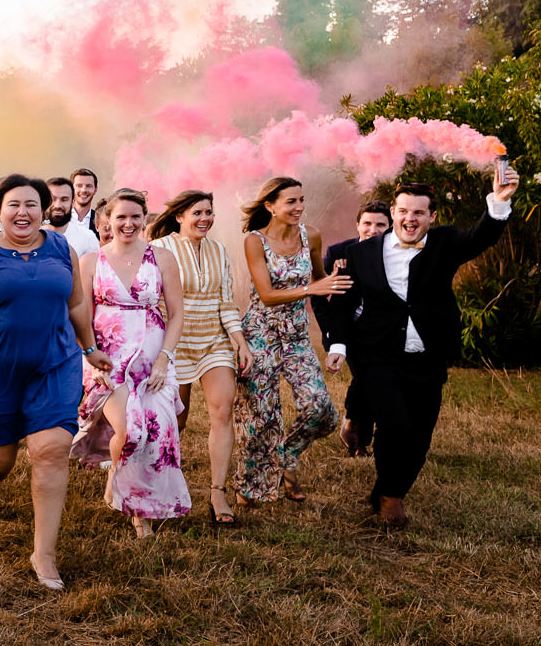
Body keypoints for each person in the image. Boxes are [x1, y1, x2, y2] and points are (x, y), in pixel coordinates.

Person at [0, 175, 109, 590]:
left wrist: (88, 348)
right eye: (14, 204)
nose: (23, 212)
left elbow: (75, 303)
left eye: (32, 204)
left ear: (44, 209)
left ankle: (44, 554)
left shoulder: (60, 248)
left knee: (50, 450)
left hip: (54, 363)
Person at [324, 170, 518, 528]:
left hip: (428, 356)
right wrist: (338, 344)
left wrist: (500, 200)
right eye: (403, 211)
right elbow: (343, 302)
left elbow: (481, 237)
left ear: (432, 216)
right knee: (396, 422)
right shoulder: (360, 252)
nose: (409, 219)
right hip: (377, 354)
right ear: (393, 213)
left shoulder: (445, 243)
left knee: (419, 435)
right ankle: (391, 498)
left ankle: (386, 487)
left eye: (418, 213)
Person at [69, 189, 189, 536]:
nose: (128, 223)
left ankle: (141, 509)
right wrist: (92, 360)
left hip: (153, 359)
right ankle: (122, 480)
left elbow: (177, 313)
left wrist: (164, 360)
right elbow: (83, 318)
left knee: (159, 427)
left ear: (144, 218)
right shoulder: (92, 261)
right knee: (133, 430)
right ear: (107, 220)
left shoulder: (162, 258)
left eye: (135, 216)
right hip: (109, 361)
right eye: (121, 217)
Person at [236, 177, 350, 505]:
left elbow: (318, 279)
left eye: (301, 200)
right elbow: (267, 294)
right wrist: (310, 290)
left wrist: (332, 279)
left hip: (297, 337)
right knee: (260, 417)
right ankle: (249, 488)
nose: (299, 207)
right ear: (270, 206)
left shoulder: (310, 235)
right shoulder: (254, 242)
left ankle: (285, 458)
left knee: (321, 409)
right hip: (261, 336)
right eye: (291, 202)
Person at [148, 192, 253, 526]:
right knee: (175, 420)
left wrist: (239, 341)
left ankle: (217, 491)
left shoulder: (219, 250)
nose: (205, 218)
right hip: (173, 343)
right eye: (198, 212)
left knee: (223, 410)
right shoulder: (159, 249)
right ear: (180, 216)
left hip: (213, 341)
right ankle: (164, 488)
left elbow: (226, 301)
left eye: (210, 212)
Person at [316, 200, 390, 348]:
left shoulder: (398, 253)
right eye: (367, 223)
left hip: (389, 331)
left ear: (390, 227)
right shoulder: (337, 252)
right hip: (351, 330)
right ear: (358, 225)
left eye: (380, 225)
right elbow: (317, 292)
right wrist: (329, 330)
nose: (373, 230)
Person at [46, 175, 99, 259]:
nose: (58, 205)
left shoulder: (88, 238)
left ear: (72, 201)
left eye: (64, 199)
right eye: (53, 199)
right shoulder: (31, 236)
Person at [68, 168, 100, 236]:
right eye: (79, 186)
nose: (83, 190)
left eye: (88, 186)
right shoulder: (59, 218)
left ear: (95, 190)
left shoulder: (100, 220)